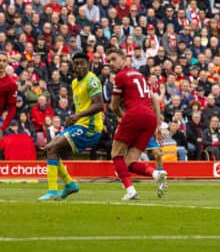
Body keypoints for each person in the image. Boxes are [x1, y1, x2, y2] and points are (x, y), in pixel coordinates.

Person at [38, 53, 104, 201]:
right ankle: (69, 184)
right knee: (50, 148)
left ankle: (54, 191)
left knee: (53, 149)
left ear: (88, 64)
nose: (79, 67)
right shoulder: (74, 82)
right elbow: (82, 106)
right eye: (76, 64)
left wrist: (77, 116)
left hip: (90, 129)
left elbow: (99, 105)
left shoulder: (92, 80)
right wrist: (74, 118)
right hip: (79, 125)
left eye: (82, 63)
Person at [107, 48, 167, 201]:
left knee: (116, 154)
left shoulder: (120, 77)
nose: (111, 64)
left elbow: (113, 106)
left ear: (123, 58)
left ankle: (130, 190)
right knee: (130, 161)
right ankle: (157, 173)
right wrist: (158, 124)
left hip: (134, 114)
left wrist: (123, 118)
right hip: (150, 118)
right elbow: (155, 99)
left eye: (113, 59)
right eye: (108, 61)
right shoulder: (140, 75)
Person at [0, 52, 18, 138]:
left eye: (4, 61)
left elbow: (12, 108)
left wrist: (2, 127)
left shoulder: (11, 84)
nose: (1, 63)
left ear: (7, 63)